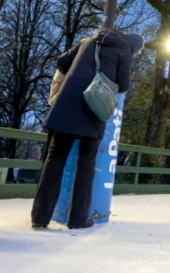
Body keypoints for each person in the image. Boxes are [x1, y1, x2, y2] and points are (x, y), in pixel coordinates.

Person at [30, 28, 143, 230]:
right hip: (92, 106)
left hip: (67, 102)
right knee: (86, 163)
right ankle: (78, 219)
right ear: (134, 47)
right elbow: (123, 85)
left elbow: (62, 62)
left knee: (55, 158)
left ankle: (40, 217)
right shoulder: (124, 51)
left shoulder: (89, 40)